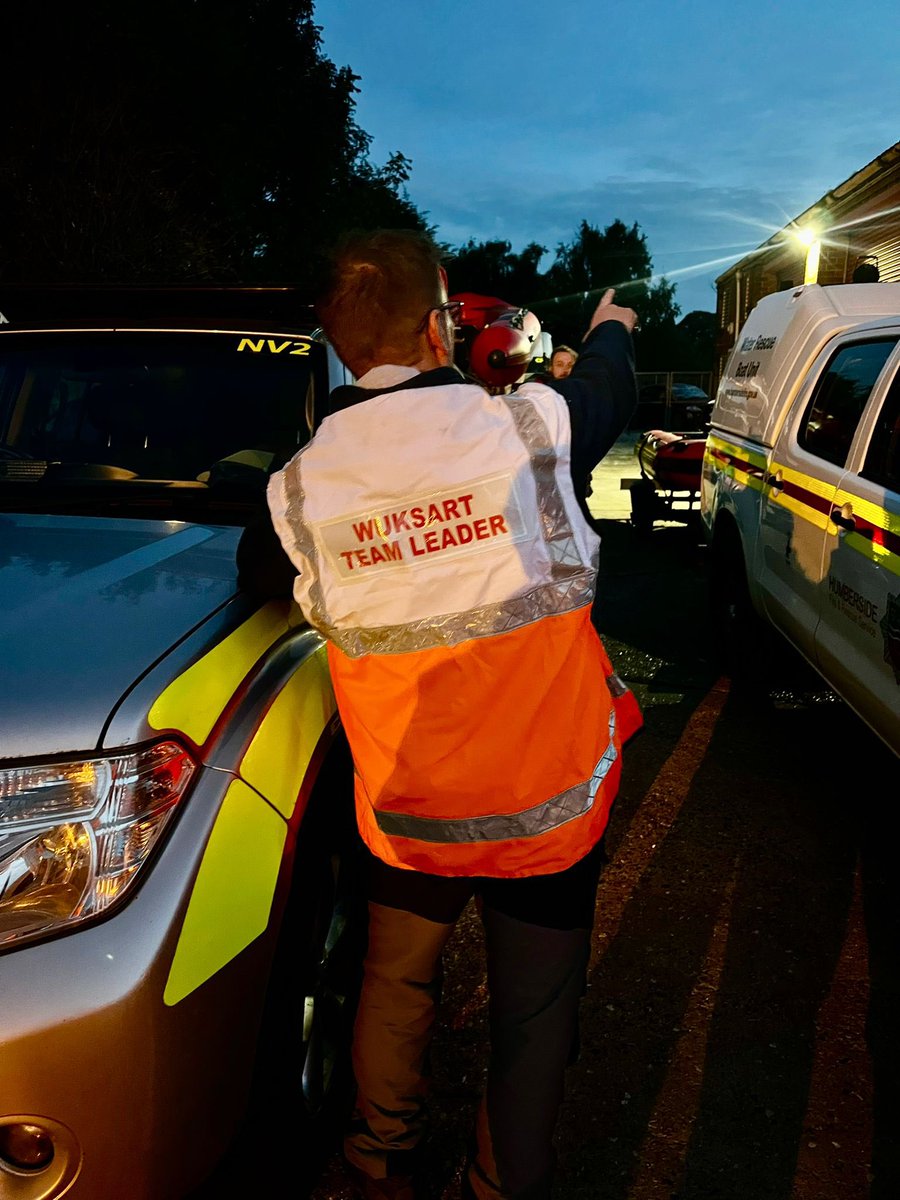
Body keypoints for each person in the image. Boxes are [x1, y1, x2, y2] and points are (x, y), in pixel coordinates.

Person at [240, 228, 640, 1200]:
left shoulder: (295, 489)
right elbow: (609, 395)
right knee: (533, 1016)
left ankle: (379, 1163)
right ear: (436, 325)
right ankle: (501, 1185)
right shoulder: (526, 426)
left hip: (409, 811)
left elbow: (267, 582)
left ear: (337, 341)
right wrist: (614, 325)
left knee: (393, 984)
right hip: (545, 808)